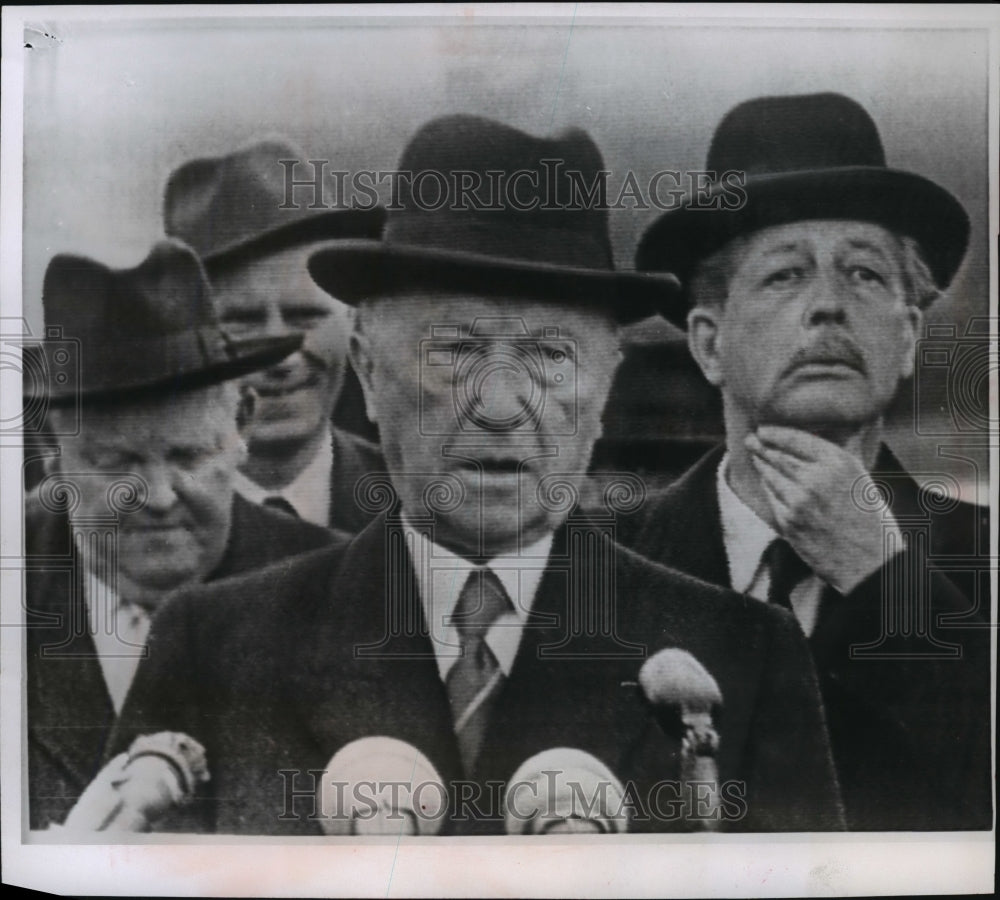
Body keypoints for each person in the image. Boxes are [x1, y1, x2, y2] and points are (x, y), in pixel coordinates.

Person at [115, 115, 845, 835]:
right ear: (368, 373)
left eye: (551, 357)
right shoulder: (211, 649)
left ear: (604, 390)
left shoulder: (745, 660)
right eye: (455, 352)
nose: (500, 407)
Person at [629, 92, 992, 830]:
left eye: (863, 274)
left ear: (911, 336)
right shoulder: (602, 559)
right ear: (707, 343)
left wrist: (887, 588)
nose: (829, 304)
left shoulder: (983, 557)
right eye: (785, 275)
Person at [26, 240, 341, 830]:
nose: (160, 496)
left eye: (189, 455)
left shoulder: (336, 588)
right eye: (118, 463)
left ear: (242, 422)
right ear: (51, 450)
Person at [164, 138, 386, 531]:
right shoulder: (147, 518)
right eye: (243, 321)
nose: (282, 358)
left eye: (305, 316)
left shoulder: (419, 506)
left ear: (353, 323)